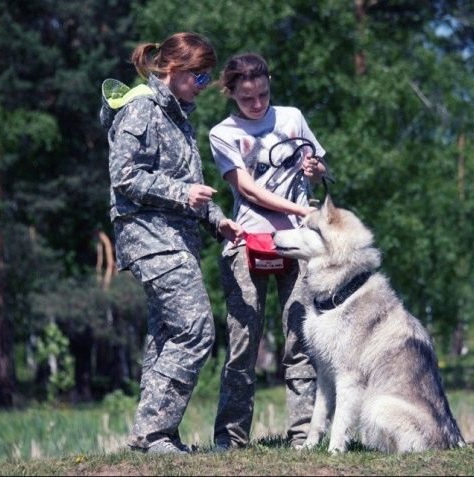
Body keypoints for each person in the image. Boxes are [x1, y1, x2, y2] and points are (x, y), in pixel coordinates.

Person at [101, 33, 243, 455]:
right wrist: (183, 195)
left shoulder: (178, 115)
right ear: (173, 70)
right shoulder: (142, 107)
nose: (204, 86)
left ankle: (154, 436)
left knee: (167, 335)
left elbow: (190, 187)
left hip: (174, 237)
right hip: (148, 237)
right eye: (199, 77)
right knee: (195, 329)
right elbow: (124, 175)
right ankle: (153, 434)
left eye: (207, 78)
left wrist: (218, 223)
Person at [208, 52, 328, 450]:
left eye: (262, 94)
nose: (257, 103)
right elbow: (245, 188)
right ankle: (231, 439)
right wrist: (298, 209)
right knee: (243, 343)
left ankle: (303, 436)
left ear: (269, 82)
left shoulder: (292, 117)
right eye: (247, 98)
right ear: (231, 94)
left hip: (299, 245)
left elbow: (315, 162)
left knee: (301, 339)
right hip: (248, 242)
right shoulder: (221, 132)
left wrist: (316, 171)